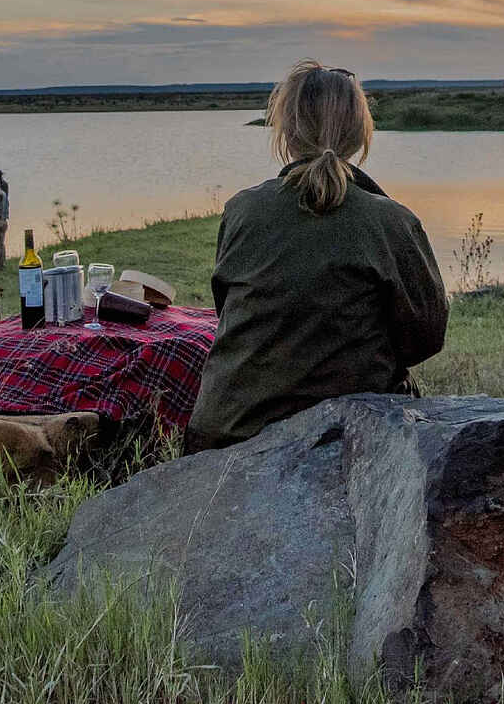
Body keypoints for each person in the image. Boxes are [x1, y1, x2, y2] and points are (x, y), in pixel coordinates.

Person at [186, 60, 449, 453]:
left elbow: (230, 312)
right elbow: (425, 338)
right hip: (336, 438)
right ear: (360, 134)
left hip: (226, 432)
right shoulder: (390, 221)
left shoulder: (242, 210)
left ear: (286, 133)